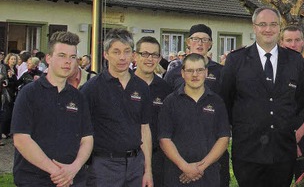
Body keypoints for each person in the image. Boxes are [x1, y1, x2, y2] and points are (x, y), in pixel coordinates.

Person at [219, 6, 304, 187]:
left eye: (273, 24)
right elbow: (226, 99)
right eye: (263, 24)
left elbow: (300, 101)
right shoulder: (236, 60)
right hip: (248, 150)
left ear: (279, 28)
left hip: (282, 150)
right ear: (254, 27)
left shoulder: (294, 60)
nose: (268, 29)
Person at [12, 31, 93, 187]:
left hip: (73, 180)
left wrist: (73, 169)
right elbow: (21, 139)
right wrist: (56, 172)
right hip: (34, 180)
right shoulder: (29, 93)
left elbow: (87, 139)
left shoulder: (79, 97)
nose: (68, 62)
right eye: (62, 55)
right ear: (48, 58)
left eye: (72, 57)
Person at [81, 28, 153, 187]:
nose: (122, 57)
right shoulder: (91, 89)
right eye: (116, 52)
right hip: (104, 166)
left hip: (135, 165)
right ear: (106, 54)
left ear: (133, 55)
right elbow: (81, 131)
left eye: (127, 51)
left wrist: (147, 170)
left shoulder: (141, 87)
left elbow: (144, 129)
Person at [158, 54, 230, 187]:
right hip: (177, 175)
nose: (195, 75)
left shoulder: (217, 102)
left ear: (206, 72)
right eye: (190, 70)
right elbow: (164, 139)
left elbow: (224, 138)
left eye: (200, 70)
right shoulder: (170, 102)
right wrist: (185, 167)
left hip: (208, 175)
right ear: (182, 73)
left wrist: (200, 168)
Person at [279, 25, 304, 179]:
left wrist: (299, 135)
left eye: (297, 40)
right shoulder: (273, 69)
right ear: (281, 43)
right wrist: (289, 138)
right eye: (289, 40)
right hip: (279, 137)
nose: (293, 44)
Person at [134, 36, 173, 187]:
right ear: (135, 56)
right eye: (144, 54)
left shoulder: (165, 89)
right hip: (131, 158)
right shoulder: (124, 85)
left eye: (154, 55)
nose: (150, 59)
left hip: (159, 158)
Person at [164, 25, 223, 93]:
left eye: (204, 40)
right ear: (188, 42)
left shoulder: (221, 72)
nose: (200, 43)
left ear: (210, 44)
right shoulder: (174, 73)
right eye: (195, 39)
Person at [1, 53, 19, 139]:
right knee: (6, 112)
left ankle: (8, 130)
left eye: (14, 59)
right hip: (6, 92)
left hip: (13, 92)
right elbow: (6, 82)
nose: (13, 61)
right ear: (8, 60)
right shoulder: (5, 68)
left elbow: (16, 82)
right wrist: (10, 78)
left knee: (11, 111)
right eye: (12, 59)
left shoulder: (15, 69)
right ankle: (3, 131)